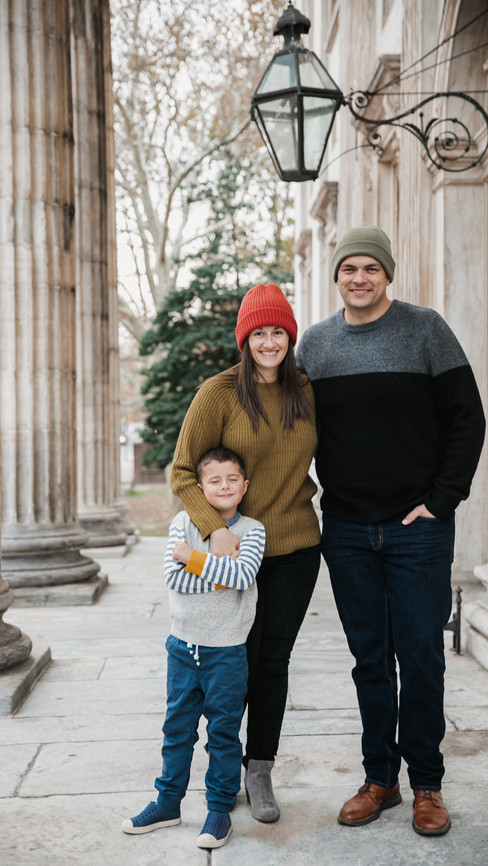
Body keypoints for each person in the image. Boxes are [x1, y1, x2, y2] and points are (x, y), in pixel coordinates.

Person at [296, 224, 486, 837]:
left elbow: (468, 418)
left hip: (417, 529)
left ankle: (427, 784)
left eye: (370, 268)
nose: (359, 278)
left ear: (387, 274)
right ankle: (380, 778)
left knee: (423, 656)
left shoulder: (425, 329)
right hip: (348, 530)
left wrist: (443, 499)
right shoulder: (316, 347)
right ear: (336, 276)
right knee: (369, 659)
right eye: (348, 268)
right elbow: (282, 424)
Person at [170, 282, 321, 823]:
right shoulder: (219, 393)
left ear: (290, 336)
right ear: (245, 338)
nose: (269, 341)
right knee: (234, 663)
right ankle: (225, 769)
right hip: (235, 559)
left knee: (273, 663)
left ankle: (259, 769)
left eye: (278, 331)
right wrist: (214, 528)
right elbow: (183, 471)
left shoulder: (305, 389)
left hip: (297, 549)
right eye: (260, 332)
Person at [121, 446, 266, 849]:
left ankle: (219, 810)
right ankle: (168, 803)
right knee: (177, 730)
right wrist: (216, 569)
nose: (224, 486)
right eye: (214, 480)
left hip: (226, 652)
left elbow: (243, 575)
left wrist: (194, 559)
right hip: (182, 647)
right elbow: (175, 578)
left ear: (245, 485)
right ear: (199, 488)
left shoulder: (252, 530)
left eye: (232, 479)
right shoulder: (181, 524)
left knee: (223, 734)